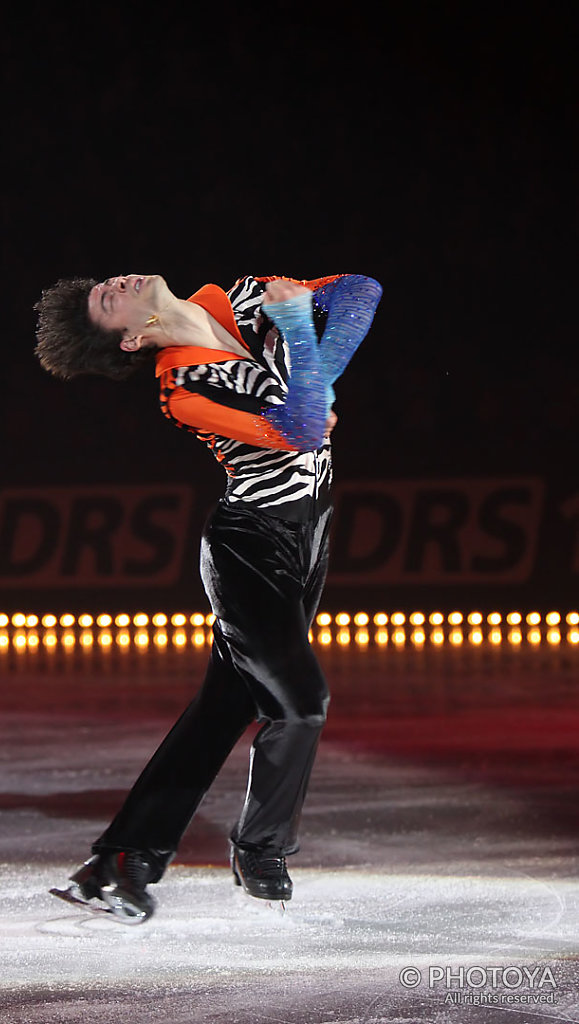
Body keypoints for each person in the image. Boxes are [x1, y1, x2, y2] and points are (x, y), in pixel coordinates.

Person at [34, 269, 382, 923]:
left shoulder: (242, 295)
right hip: (248, 546)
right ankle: (261, 847)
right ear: (132, 339)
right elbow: (305, 430)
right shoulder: (183, 385)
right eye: (110, 299)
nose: (120, 281)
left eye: (109, 280)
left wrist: (316, 368)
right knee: (301, 702)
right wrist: (300, 335)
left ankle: (121, 863)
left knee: (223, 708)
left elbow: (360, 291)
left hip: (309, 534)